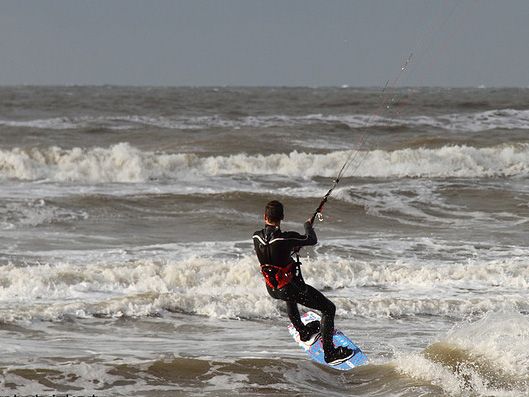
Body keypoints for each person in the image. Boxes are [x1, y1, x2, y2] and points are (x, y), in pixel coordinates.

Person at [252, 200, 354, 365]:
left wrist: (291, 248)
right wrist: (307, 225)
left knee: (289, 292)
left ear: (264, 217)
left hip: (272, 289)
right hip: (288, 288)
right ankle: (330, 352)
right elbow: (310, 239)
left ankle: (303, 331)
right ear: (282, 217)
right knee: (328, 309)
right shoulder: (285, 238)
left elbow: (273, 252)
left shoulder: (256, 236)